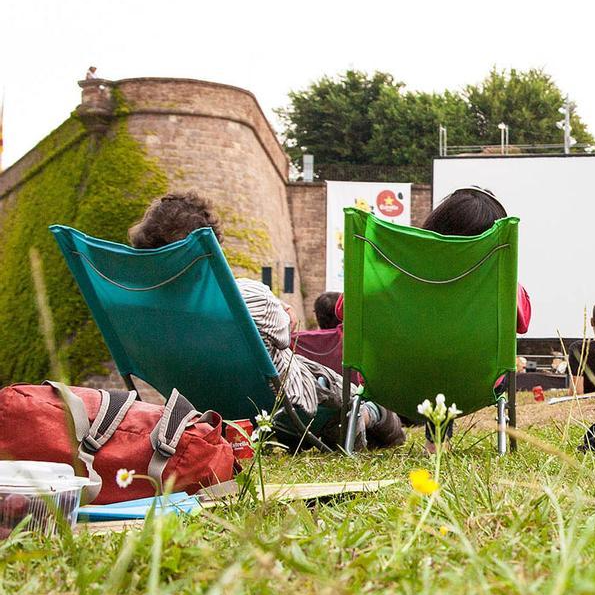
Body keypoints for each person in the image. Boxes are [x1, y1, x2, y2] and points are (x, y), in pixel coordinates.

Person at [128, 192, 405, 449]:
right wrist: (282, 310)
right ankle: (368, 415)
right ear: (209, 247)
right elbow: (285, 335)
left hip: (207, 409)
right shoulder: (247, 296)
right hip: (289, 407)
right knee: (365, 403)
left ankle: (351, 420)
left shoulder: (142, 311)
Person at [420, 186, 532, 449]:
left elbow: (343, 309)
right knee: (452, 361)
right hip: (478, 382)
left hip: (402, 378)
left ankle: (436, 441)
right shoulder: (502, 282)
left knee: (438, 359)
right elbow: (523, 323)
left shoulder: (400, 272)